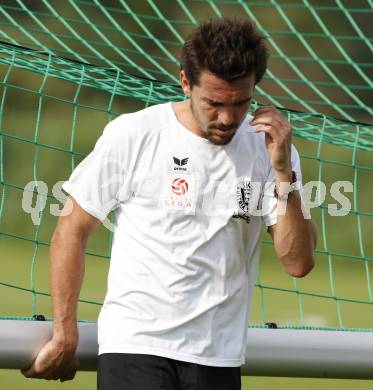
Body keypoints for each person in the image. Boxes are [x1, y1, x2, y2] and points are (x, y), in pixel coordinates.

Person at [21, 17, 316, 389]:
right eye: (213, 103)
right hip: (135, 349)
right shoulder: (136, 133)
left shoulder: (270, 149)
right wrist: (65, 332)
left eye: (241, 103)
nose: (227, 117)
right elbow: (71, 230)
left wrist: (284, 173)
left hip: (219, 357)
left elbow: (298, 261)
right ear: (184, 82)